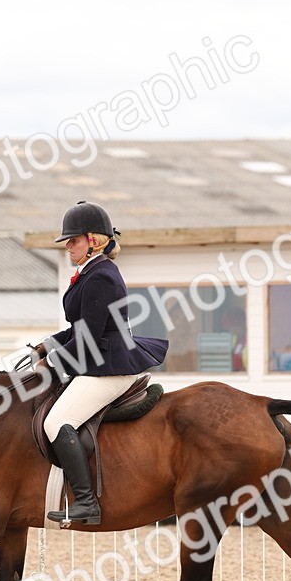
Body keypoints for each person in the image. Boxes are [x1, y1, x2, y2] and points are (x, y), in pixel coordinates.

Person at [40, 201, 169, 525]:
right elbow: (78, 329)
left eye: (73, 240)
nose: (68, 246)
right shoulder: (92, 272)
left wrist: (54, 362)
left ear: (93, 241)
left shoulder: (101, 276)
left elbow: (91, 338)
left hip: (108, 365)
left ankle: (86, 503)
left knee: (55, 424)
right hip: (100, 357)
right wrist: (45, 346)